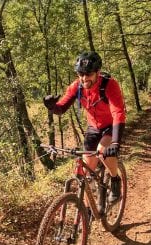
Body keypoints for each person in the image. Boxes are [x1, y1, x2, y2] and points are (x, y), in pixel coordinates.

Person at [43, 51, 126, 213]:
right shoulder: (76, 87)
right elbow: (61, 108)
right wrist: (52, 106)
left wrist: (115, 142)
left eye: (88, 74)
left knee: (103, 152)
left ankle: (115, 180)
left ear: (97, 72)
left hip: (110, 126)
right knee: (87, 173)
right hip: (93, 128)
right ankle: (88, 212)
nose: (84, 78)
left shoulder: (109, 85)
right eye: (80, 74)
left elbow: (118, 113)